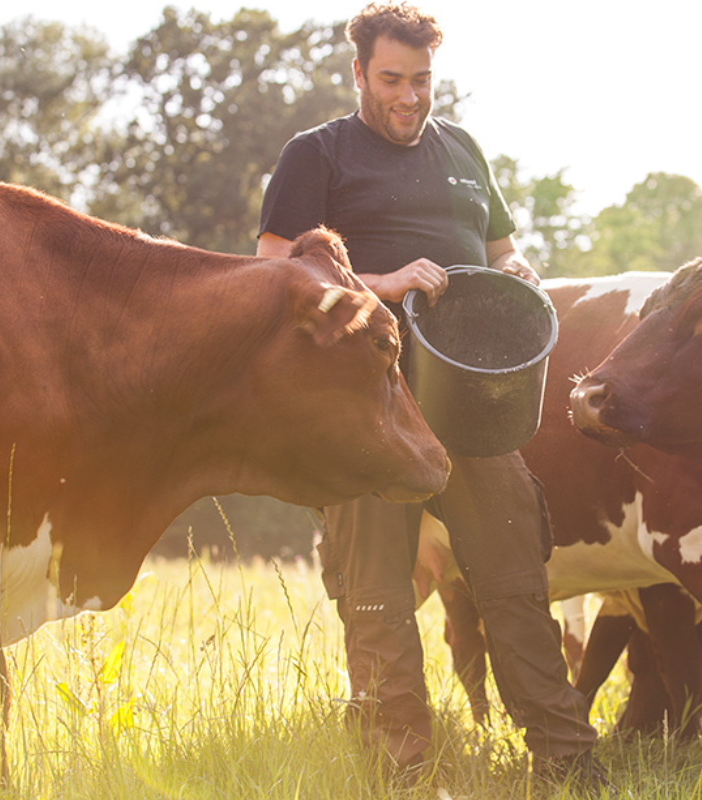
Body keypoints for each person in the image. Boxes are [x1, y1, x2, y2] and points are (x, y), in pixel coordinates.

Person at [257, 1, 605, 789]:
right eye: (390, 80)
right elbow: (273, 268)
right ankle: (405, 769)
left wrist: (520, 273)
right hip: (365, 405)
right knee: (377, 601)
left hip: (476, 403)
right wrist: (383, 282)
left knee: (517, 582)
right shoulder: (319, 154)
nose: (409, 96)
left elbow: (504, 251)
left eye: (421, 80)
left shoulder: (464, 149)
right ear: (357, 74)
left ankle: (566, 763)